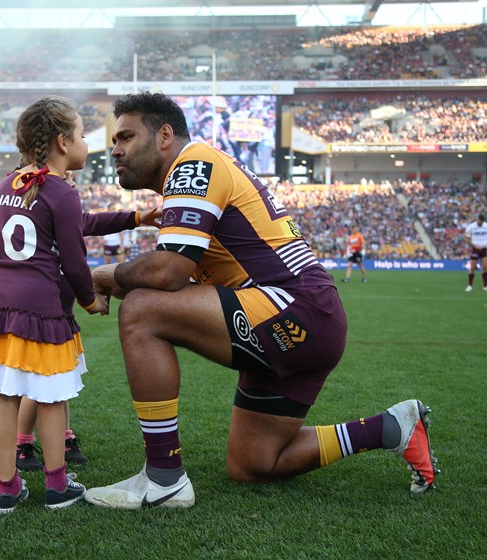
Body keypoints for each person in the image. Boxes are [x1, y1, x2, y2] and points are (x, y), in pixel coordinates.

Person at [84, 92, 438, 510]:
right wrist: (104, 280)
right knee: (254, 463)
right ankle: (390, 428)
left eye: (125, 136)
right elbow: (173, 279)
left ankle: (164, 479)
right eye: (113, 140)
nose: (116, 149)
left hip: (291, 306)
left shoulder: (194, 163)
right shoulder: (194, 172)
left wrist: (104, 276)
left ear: (164, 135)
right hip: (303, 313)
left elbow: (168, 272)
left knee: (141, 311)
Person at [0, 96, 109, 514]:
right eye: (81, 135)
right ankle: (57, 487)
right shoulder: (61, 192)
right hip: (39, 308)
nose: (85, 143)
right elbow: (77, 266)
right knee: (52, 395)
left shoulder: (6, 185)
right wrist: (91, 301)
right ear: (63, 142)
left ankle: (7, 489)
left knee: (3, 395)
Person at [15, 173, 162, 472]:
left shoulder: (56, 206)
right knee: (42, 380)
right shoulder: (46, 207)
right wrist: (90, 300)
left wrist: (135, 217)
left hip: (59, 312)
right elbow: (75, 259)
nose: (72, 183)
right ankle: (22, 443)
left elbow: (91, 222)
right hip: (46, 311)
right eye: (66, 177)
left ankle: (63, 436)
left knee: (60, 376)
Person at [464, 213, 487, 293]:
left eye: (481, 221)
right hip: (475, 249)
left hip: (484, 249)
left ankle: (486, 286)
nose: (479, 222)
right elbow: (466, 239)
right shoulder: (471, 227)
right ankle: (470, 285)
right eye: (479, 221)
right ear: (477, 219)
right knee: (472, 267)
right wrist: (474, 245)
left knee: (485, 267)